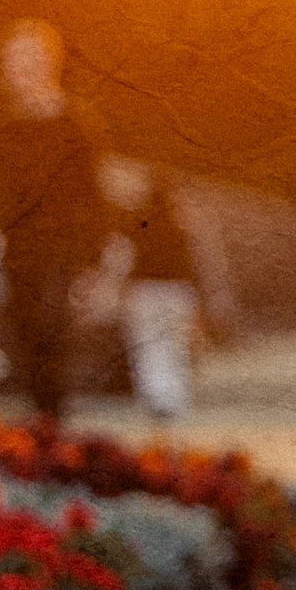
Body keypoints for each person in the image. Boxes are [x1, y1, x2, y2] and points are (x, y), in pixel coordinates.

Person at [0, 20, 107, 422]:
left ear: (48, 63)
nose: (13, 70)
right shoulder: (3, 128)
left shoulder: (78, 124)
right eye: (8, 61)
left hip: (64, 249)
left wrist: (92, 264)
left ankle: (53, 427)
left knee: (51, 332)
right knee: (24, 338)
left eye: (22, 60)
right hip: (17, 249)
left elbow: (93, 200)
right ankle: (42, 427)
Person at [102, 157, 202, 420]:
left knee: (148, 347)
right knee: (175, 346)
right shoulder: (183, 224)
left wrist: (113, 285)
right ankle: (177, 398)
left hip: (144, 290)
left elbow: (123, 256)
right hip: (178, 292)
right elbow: (195, 267)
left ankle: (156, 397)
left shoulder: (139, 220)